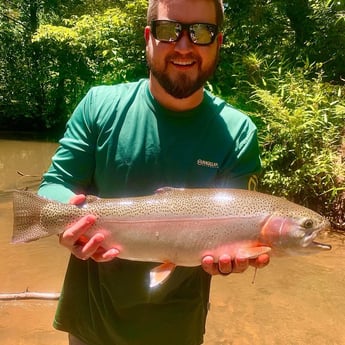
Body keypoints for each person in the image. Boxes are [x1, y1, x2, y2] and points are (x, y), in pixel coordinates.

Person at [38, 0, 269, 344]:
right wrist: (64, 221)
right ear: (148, 37)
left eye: (202, 32)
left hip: (178, 330)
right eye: (168, 30)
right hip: (90, 325)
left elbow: (240, 224)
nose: (184, 45)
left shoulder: (238, 133)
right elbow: (53, 188)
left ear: (218, 42)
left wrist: (236, 255)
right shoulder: (99, 106)